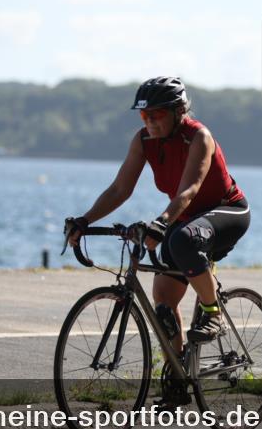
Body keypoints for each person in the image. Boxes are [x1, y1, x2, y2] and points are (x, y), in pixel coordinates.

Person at [66, 76, 249, 402]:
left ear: (178, 112)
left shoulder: (199, 137)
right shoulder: (144, 140)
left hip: (226, 212)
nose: (149, 122)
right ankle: (177, 381)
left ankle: (213, 312)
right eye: (144, 115)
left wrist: (162, 223)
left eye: (156, 115)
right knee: (163, 303)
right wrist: (85, 220)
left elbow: (189, 190)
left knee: (181, 240)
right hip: (185, 220)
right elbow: (120, 189)